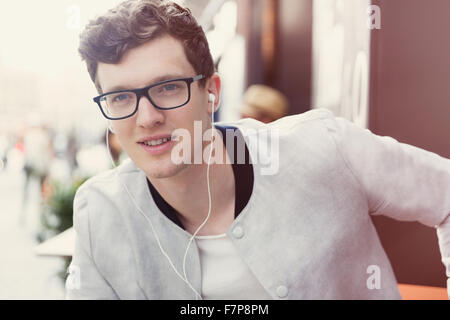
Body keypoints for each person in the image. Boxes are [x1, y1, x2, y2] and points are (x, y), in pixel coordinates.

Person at [66, 0, 450, 300]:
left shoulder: (323, 147)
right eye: (119, 97)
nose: (146, 117)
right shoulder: (99, 212)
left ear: (211, 91)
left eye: (168, 88)